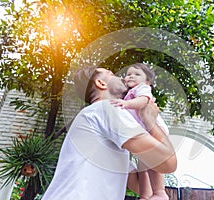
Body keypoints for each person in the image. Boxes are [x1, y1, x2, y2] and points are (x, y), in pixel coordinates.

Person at [41, 66, 177, 200]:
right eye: (111, 74)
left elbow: (138, 184)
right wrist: (151, 123)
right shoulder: (106, 109)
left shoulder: (97, 122)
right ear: (101, 83)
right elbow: (167, 163)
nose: (122, 77)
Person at [111, 63, 169, 200]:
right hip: (143, 132)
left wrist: (127, 104)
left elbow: (144, 101)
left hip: (153, 128)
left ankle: (160, 192)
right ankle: (145, 195)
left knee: (153, 161)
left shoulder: (142, 89)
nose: (131, 76)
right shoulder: (128, 93)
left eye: (137, 74)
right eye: (129, 74)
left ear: (147, 82)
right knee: (143, 166)